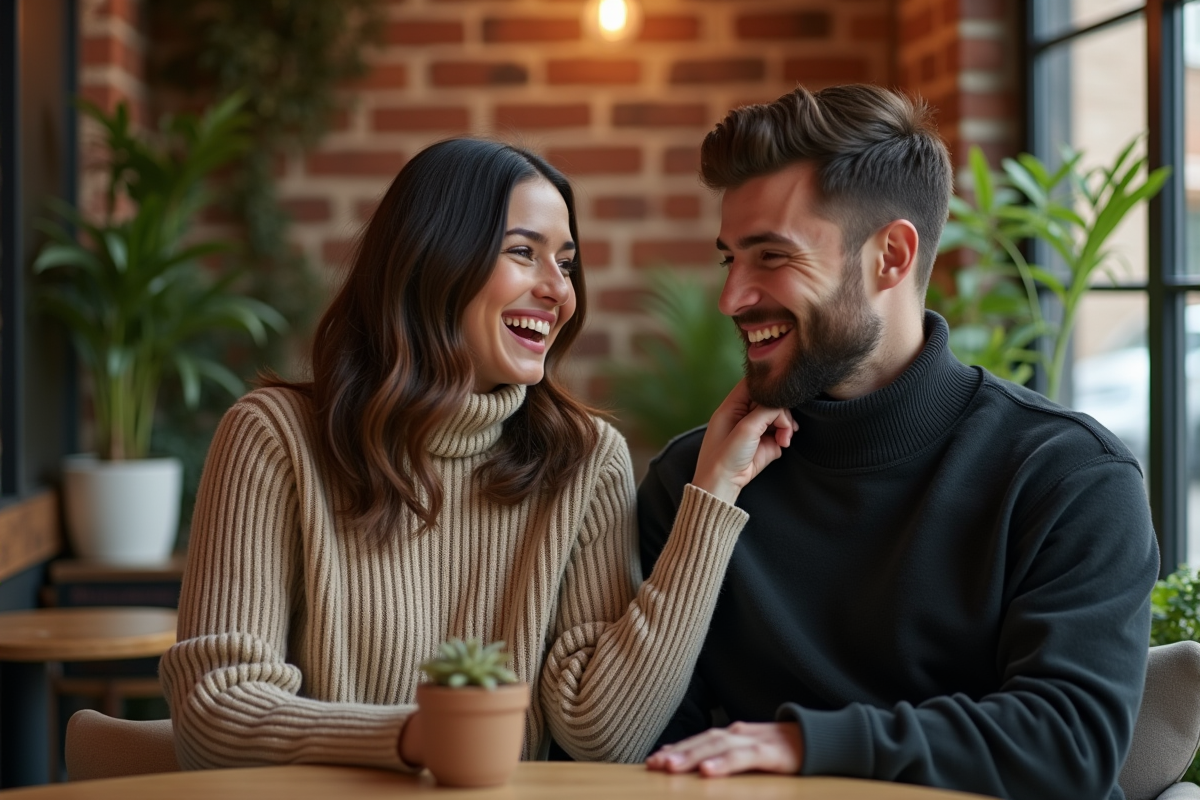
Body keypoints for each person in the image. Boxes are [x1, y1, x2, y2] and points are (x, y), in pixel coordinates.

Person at [159, 138, 794, 771]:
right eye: (523, 252)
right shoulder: (275, 438)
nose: (559, 290)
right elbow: (214, 710)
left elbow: (605, 738)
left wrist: (714, 496)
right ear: (431, 260)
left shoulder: (583, 459)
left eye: (566, 263)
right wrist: (420, 739)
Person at [639, 85, 1161, 799]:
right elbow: (656, 748)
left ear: (890, 255)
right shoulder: (694, 483)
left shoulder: (1066, 476)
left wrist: (805, 744)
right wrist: (707, 506)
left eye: (772, 256)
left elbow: (1068, 745)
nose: (732, 297)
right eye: (731, 259)